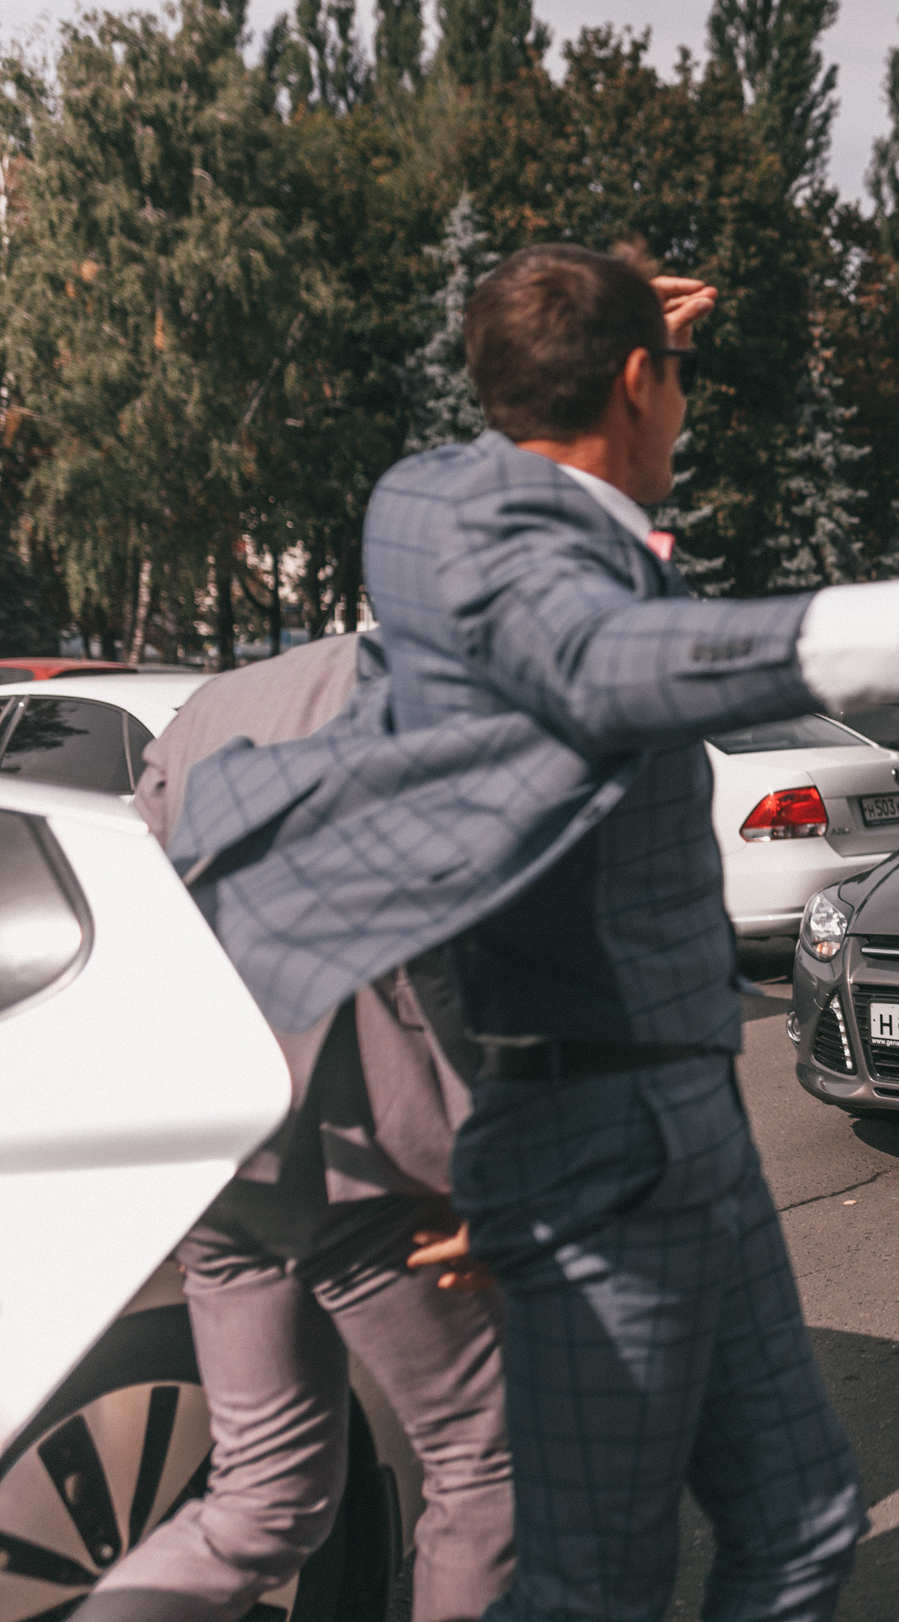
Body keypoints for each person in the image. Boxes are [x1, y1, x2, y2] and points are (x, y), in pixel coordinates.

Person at [168, 243, 899, 1622]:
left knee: (801, 1522)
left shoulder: (460, 514)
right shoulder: (511, 563)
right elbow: (601, 660)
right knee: (590, 1586)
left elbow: (583, 579)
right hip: (597, 1134)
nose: (687, 410)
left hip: (686, 1121)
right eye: (673, 383)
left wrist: (603, 342)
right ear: (636, 381)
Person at [83, 635, 510, 1622]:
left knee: (260, 1501)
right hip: (373, 1164)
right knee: (486, 1465)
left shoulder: (220, 702)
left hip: (221, 1145)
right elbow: (445, 966)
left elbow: (142, 903)